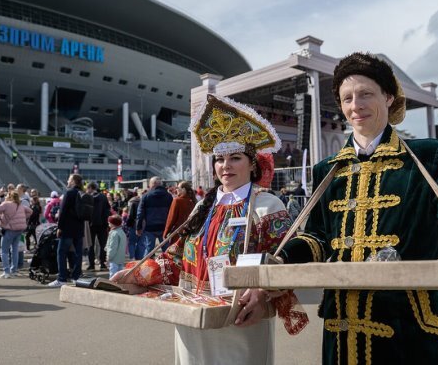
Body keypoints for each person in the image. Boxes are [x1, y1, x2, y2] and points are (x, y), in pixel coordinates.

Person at [279, 52, 438, 364]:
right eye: (347, 98)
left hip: (408, 329)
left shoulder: (430, 156)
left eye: (366, 94)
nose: (355, 105)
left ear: (389, 97)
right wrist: (280, 259)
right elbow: (317, 237)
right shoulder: (327, 170)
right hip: (341, 332)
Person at [112, 94, 307, 365]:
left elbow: (284, 263)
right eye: (219, 159)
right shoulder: (203, 207)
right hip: (193, 316)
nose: (225, 166)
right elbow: (177, 258)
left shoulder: (267, 206)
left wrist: (262, 294)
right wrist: (137, 273)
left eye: (235, 158)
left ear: (252, 164)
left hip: (239, 319)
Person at [48, 174, 86, 287]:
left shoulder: (69, 193)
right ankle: (76, 277)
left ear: (73, 181)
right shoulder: (83, 193)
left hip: (68, 228)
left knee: (61, 252)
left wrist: (59, 227)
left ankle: (62, 278)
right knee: (78, 254)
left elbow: (63, 212)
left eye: (69, 179)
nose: (67, 181)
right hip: (79, 228)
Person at [135, 176, 173, 258]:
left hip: (150, 227)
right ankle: (170, 268)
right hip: (165, 227)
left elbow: (140, 213)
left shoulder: (146, 196)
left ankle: (146, 268)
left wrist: (138, 227)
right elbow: (172, 213)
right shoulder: (169, 196)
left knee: (149, 250)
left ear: (153, 184)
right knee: (167, 251)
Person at [162, 181, 197, 245]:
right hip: (191, 234)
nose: (176, 189)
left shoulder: (177, 201)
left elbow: (171, 219)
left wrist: (166, 232)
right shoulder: (193, 201)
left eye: (178, 188)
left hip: (178, 234)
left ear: (183, 189)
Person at [86, 182, 111, 270]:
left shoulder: (88, 197)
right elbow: (108, 210)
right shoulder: (103, 197)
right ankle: (102, 264)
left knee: (90, 245)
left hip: (90, 225)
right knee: (102, 245)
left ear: (90, 188)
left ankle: (91, 265)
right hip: (102, 224)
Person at [125, 190, 141, 259]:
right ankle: (139, 258)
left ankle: (132, 257)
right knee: (140, 242)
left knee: (131, 242)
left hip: (133, 223)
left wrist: (128, 224)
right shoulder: (142, 200)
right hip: (142, 222)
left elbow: (130, 215)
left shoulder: (131, 202)